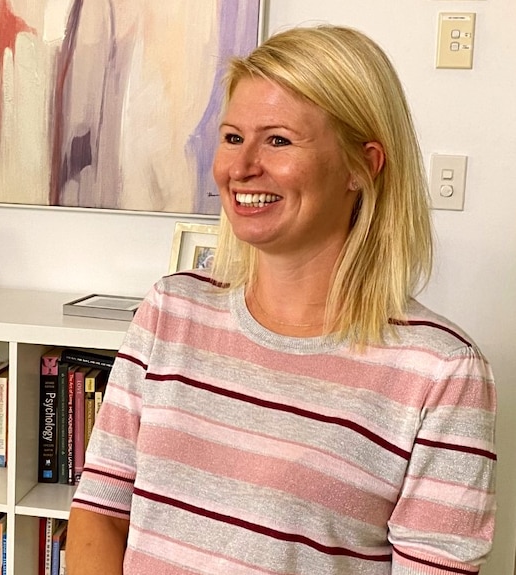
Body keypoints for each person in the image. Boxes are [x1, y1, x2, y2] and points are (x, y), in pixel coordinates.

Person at [67, 25, 496, 575]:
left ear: (361, 167)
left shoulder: (440, 371)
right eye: (231, 137)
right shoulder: (170, 312)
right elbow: (102, 512)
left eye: (278, 140)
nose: (241, 168)